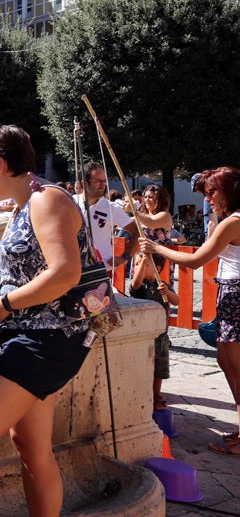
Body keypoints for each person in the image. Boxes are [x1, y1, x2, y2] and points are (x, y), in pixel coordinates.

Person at [0, 125, 93, 517]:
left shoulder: (47, 202)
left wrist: (6, 306)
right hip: (36, 340)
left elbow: (66, 273)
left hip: (46, 341)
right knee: (31, 446)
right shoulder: (24, 207)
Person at [140, 166, 240, 455]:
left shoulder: (232, 222)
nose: (207, 200)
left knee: (234, 367)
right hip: (231, 291)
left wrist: (157, 248)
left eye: (211, 193)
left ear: (229, 192)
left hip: (234, 293)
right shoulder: (230, 219)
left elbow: (195, 260)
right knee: (225, 360)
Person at [128, 251, 178, 410]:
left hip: (160, 335)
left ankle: (156, 394)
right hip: (142, 336)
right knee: (141, 366)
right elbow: (135, 283)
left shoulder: (163, 285)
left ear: (157, 268)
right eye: (136, 264)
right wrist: (144, 260)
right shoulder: (139, 286)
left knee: (159, 369)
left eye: (145, 264)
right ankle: (140, 392)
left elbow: (177, 301)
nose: (139, 267)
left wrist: (168, 293)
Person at [74, 161, 137, 270]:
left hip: (101, 268)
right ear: (84, 183)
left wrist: (125, 257)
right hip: (73, 267)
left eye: (104, 181)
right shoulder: (70, 201)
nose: (102, 184)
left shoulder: (111, 208)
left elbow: (137, 232)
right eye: (97, 181)